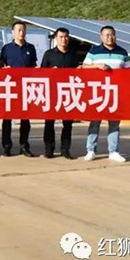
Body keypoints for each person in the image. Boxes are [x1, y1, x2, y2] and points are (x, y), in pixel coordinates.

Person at [81, 25, 130, 163]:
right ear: (101, 36)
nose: (110, 37)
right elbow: (84, 67)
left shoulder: (122, 52)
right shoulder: (94, 51)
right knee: (95, 122)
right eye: (107, 35)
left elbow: (128, 73)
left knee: (114, 124)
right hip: (98, 92)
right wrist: (97, 66)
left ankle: (114, 151)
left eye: (112, 34)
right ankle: (91, 150)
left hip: (115, 93)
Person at [40, 27, 79, 160]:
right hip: (52, 93)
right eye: (61, 37)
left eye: (66, 37)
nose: (64, 39)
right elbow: (42, 73)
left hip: (68, 93)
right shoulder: (49, 54)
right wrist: (51, 71)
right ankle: (49, 149)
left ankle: (65, 150)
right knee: (49, 122)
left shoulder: (73, 55)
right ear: (56, 38)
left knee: (67, 124)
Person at [0, 21, 37, 157]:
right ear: (13, 32)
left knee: (25, 119)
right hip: (10, 88)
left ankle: (24, 145)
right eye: (19, 30)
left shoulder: (31, 48)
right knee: (7, 119)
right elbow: (0, 66)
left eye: (23, 30)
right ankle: (7, 146)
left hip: (26, 88)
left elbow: (33, 65)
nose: (22, 32)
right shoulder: (6, 48)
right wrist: (4, 69)